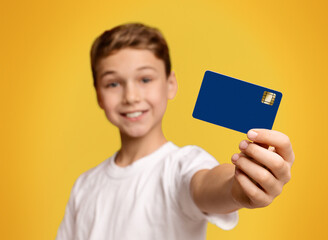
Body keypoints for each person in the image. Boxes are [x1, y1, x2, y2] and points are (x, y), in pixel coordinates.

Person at [56, 22, 295, 240]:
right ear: (98, 94)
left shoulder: (182, 165)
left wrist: (239, 188)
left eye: (145, 79)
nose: (131, 97)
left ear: (171, 84)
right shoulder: (83, 186)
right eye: (113, 83)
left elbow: (206, 184)